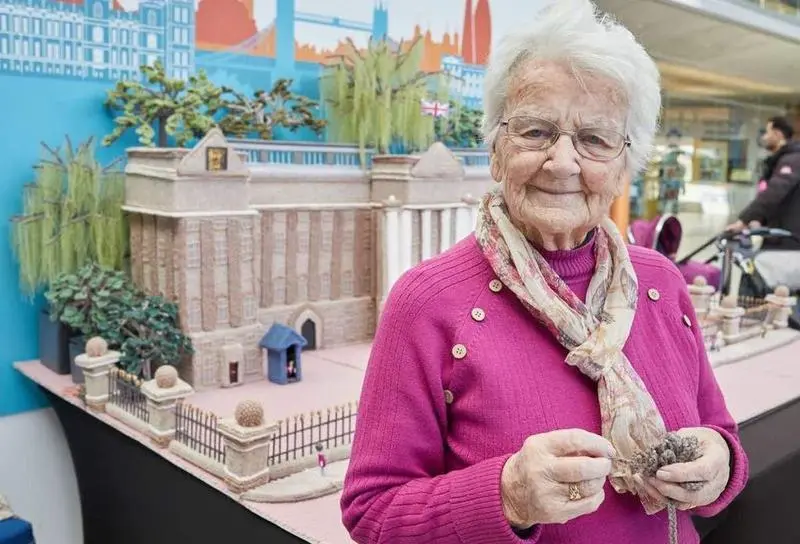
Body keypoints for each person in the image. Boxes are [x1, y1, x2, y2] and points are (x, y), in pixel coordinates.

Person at [340, 1, 748, 543]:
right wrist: (507, 495)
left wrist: (721, 462)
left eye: (595, 139)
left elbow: (718, 432)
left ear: (626, 164)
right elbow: (373, 513)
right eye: (534, 131)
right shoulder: (429, 302)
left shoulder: (661, 283)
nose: (561, 162)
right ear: (494, 150)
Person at [728, 116, 800, 250]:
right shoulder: (780, 160)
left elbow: (774, 192)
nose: (764, 138)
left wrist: (744, 220)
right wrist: (758, 219)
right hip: (779, 235)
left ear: (778, 134)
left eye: (767, 132)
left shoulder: (792, 160)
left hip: (788, 240)